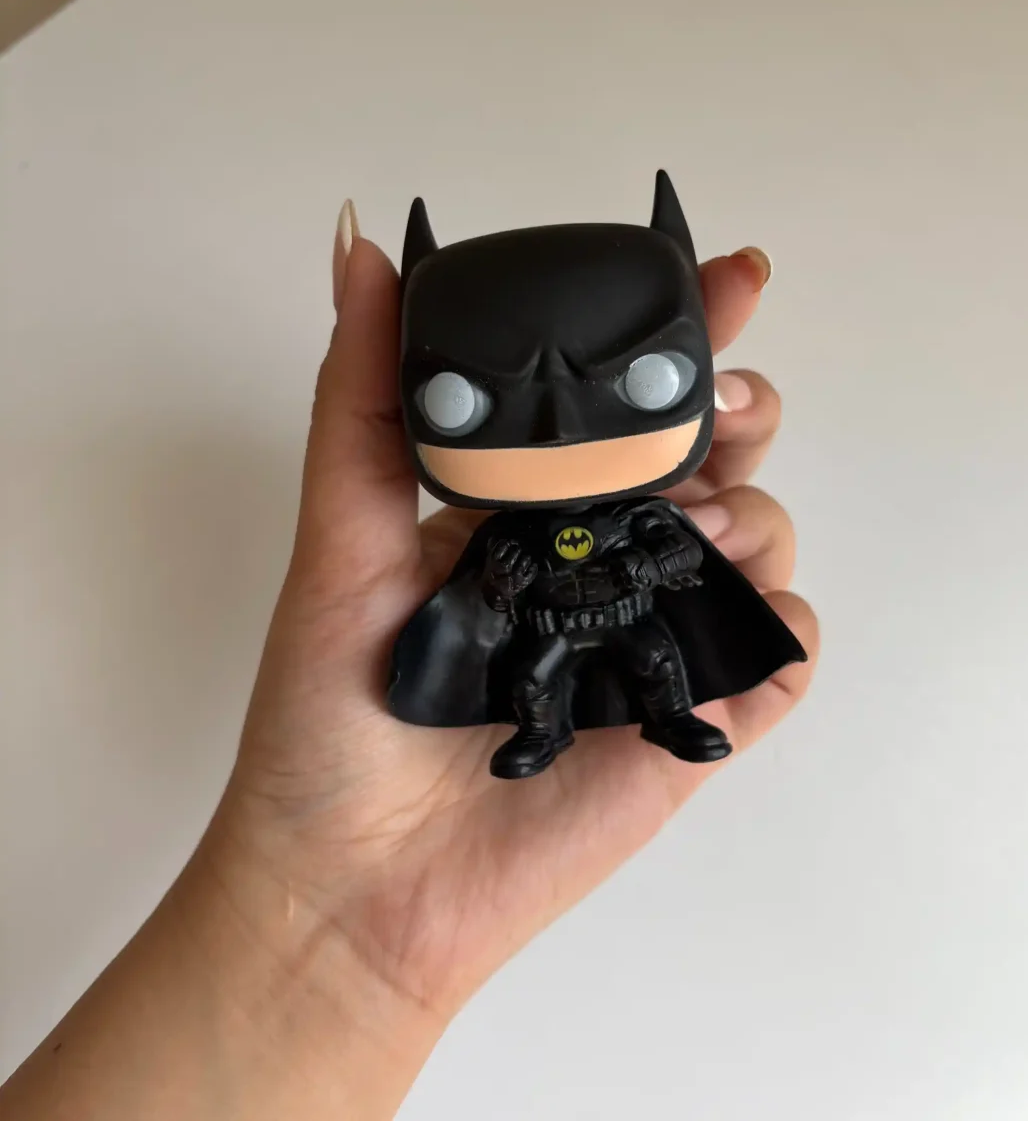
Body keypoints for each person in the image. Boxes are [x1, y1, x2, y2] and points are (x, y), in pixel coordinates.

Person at [0, 202, 819, 1119]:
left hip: (628, 616)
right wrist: (506, 579)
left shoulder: (643, 516)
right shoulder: (509, 531)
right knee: (533, 684)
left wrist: (656, 561)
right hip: (550, 626)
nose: (557, 430)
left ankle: (667, 718)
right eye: (465, 400)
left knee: (661, 662)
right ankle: (540, 735)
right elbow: (495, 592)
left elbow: (675, 559)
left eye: (647, 378)